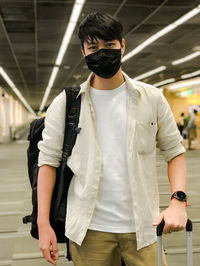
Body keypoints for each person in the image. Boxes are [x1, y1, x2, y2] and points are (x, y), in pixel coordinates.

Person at [37, 12, 187, 266]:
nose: (102, 53)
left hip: (145, 227)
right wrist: (43, 224)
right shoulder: (66, 104)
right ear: (83, 52)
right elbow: (47, 163)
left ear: (122, 45)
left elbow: (175, 153)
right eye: (93, 47)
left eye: (109, 45)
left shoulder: (151, 98)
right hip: (89, 231)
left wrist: (178, 200)